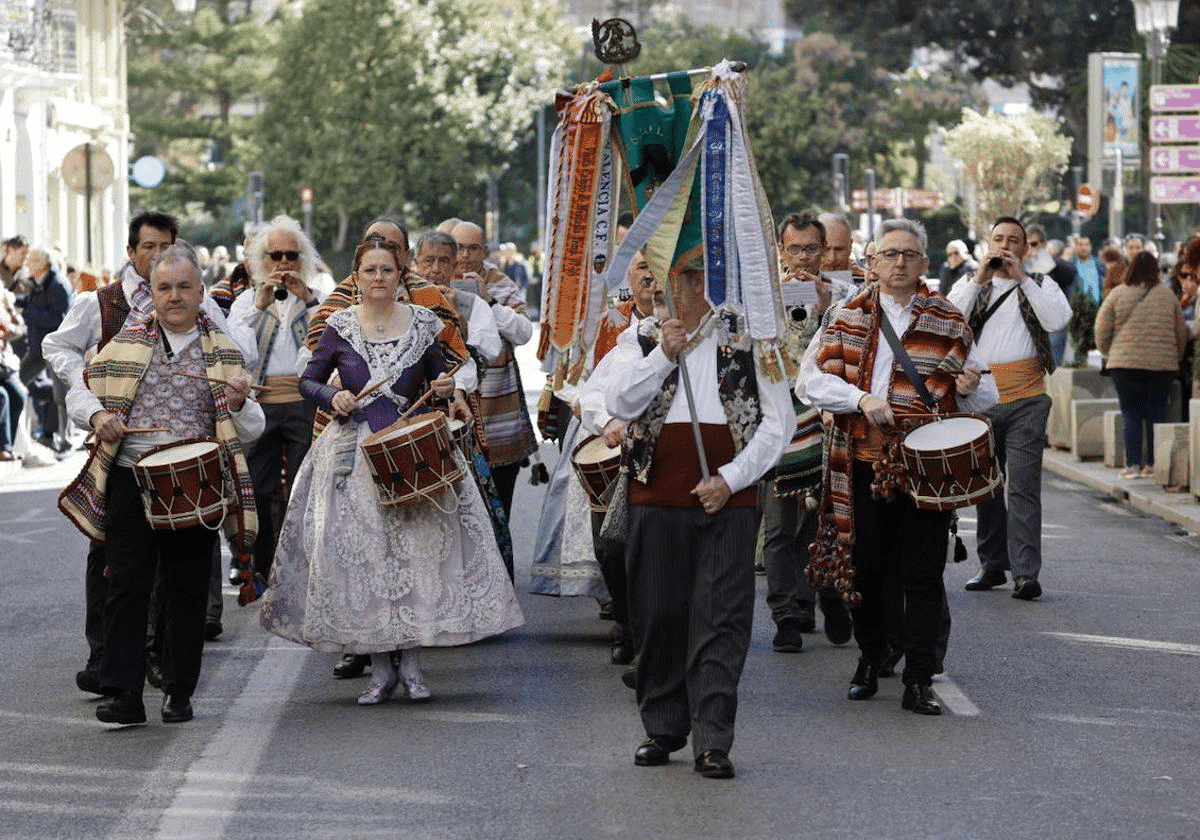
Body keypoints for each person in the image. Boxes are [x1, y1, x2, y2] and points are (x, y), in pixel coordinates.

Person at [258, 237, 524, 704]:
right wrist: (332, 396)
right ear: (356, 278)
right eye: (369, 270)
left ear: (400, 274)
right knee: (369, 559)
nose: (378, 277)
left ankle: (416, 668)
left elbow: (442, 377)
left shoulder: (424, 323)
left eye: (386, 269)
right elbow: (308, 380)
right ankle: (380, 670)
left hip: (413, 452)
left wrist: (443, 386)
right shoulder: (339, 326)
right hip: (354, 455)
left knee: (418, 557)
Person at [44, 210, 255, 696]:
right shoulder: (121, 339)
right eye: (164, 287)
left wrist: (241, 402)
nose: (174, 296)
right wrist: (98, 417)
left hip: (195, 479)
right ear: (149, 286)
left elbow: (250, 423)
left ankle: (179, 691)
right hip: (129, 474)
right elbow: (84, 384)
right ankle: (120, 691)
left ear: (200, 292)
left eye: (183, 287)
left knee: (184, 591)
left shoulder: (220, 346)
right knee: (125, 583)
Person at [604, 260, 794, 779]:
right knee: (660, 612)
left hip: (726, 498)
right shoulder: (641, 337)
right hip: (656, 493)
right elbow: (617, 400)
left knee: (722, 616)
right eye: (680, 278)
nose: (690, 289)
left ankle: (713, 738)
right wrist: (664, 355)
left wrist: (731, 479)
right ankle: (662, 726)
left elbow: (779, 424)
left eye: (700, 277)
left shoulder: (755, 339)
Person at [802, 218, 996, 716]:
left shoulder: (950, 320)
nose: (900, 263)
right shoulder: (846, 316)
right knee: (864, 568)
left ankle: (917, 679)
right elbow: (811, 383)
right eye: (890, 254)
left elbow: (986, 396)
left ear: (925, 264)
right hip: (863, 462)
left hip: (925, 466)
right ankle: (870, 658)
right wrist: (862, 398)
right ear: (872, 262)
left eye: (910, 254)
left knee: (923, 575)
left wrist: (972, 387)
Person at [948, 217, 1071, 602]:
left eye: (1013, 240)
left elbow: (1058, 319)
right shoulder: (971, 285)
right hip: (978, 398)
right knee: (986, 485)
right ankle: (991, 564)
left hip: (1027, 399)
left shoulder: (1038, 283)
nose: (1004, 246)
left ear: (1025, 248)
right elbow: (946, 320)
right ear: (988, 243)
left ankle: (1025, 572)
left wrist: (1022, 279)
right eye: (998, 239)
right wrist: (980, 278)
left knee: (1022, 487)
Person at [765, 213, 854, 652]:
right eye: (794, 249)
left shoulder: (844, 296)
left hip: (828, 417)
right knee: (780, 525)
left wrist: (823, 308)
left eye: (811, 249)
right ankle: (784, 612)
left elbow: (851, 352)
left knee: (825, 521)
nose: (803, 258)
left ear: (826, 251)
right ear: (781, 250)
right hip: (779, 416)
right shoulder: (761, 293)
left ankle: (821, 595)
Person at [227, 216, 327, 582]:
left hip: (304, 402)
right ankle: (263, 567)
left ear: (302, 259)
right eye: (275, 256)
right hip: (260, 402)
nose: (283, 264)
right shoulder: (244, 304)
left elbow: (332, 341)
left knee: (304, 486)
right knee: (257, 487)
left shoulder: (319, 298)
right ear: (260, 260)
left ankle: (300, 570)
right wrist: (258, 307)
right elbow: (238, 352)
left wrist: (309, 300)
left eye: (290, 255)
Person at [450, 221, 537, 515]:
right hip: (455, 418)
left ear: (484, 251)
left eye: (472, 248)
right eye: (459, 248)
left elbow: (524, 333)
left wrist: (488, 300)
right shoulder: (435, 282)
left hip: (500, 421)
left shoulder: (499, 281)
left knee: (500, 510)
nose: (464, 256)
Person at [1096, 251, 1188, 479]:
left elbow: (1101, 329)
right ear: (1155, 270)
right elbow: (1180, 332)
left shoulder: (1118, 294)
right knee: (1156, 413)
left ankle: (1133, 465)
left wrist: (1111, 351)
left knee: (1131, 413)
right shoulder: (1167, 296)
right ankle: (1154, 464)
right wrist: (1175, 356)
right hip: (1161, 365)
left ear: (1131, 268)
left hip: (1124, 365)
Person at [1025, 224, 1078, 366]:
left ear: (1043, 244)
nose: (1030, 248)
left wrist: (1044, 258)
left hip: (1053, 322)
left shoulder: (1054, 264)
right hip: (1029, 323)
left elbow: (1070, 275)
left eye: (1034, 244)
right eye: (1026, 244)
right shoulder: (1019, 265)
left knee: (1053, 365)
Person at [1072, 235, 1105, 306]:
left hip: (1097, 306)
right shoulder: (1070, 265)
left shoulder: (1099, 264)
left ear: (1090, 246)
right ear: (1075, 246)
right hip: (1079, 308)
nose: (1084, 248)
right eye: (1080, 245)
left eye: (1086, 245)